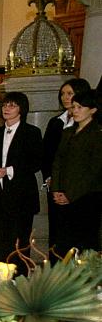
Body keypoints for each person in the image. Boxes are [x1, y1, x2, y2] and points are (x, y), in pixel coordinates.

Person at [0, 92, 42, 277]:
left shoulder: (32, 132)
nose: (7, 109)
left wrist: (9, 170)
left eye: (12, 105)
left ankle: (20, 281)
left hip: (21, 195)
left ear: (21, 109)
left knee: (20, 241)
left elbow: (35, 161)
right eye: (5, 105)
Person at [42, 78, 91, 259]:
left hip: (79, 191)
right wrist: (50, 180)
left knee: (77, 235)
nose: (65, 97)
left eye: (70, 93)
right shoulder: (56, 122)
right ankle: (55, 269)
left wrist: (71, 189)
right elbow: (48, 154)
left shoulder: (91, 126)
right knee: (56, 233)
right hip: (55, 186)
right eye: (62, 94)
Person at [50, 89, 102, 257]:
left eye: (80, 107)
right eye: (73, 107)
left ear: (93, 110)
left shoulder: (97, 134)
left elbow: (94, 170)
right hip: (63, 194)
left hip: (86, 197)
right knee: (64, 243)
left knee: (84, 243)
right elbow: (58, 161)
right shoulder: (68, 132)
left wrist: (71, 195)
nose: (75, 111)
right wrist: (56, 189)